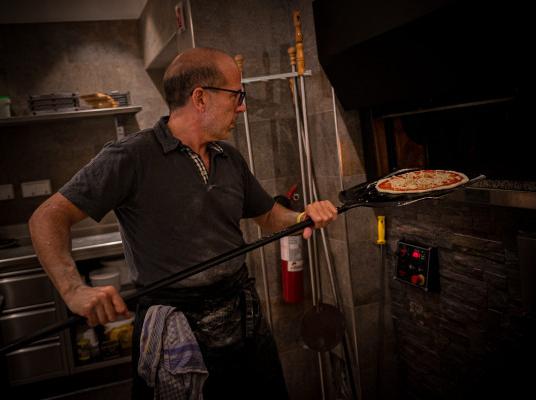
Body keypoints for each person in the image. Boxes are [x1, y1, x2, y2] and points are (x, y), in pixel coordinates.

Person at [28, 47, 337, 399]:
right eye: (237, 96)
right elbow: (47, 217)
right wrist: (73, 290)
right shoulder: (131, 156)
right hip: (176, 328)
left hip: (244, 318)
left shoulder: (229, 158)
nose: (242, 106)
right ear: (200, 98)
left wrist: (301, 217)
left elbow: (267, 215)